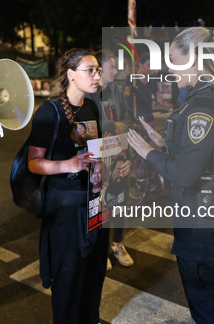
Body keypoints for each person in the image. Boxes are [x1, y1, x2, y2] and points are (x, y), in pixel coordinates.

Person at [128, 26, 214, 324]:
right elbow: (208, 155)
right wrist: (162, 143)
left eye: (174, 58)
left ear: (196, 58)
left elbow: (184, 174)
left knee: (209, 310)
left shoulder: (205, 103)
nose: (169, 66)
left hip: (205, 226)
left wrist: (148, 152)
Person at [27, 48, 108, 324]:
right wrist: (67, 165)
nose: (97, 75)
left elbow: (95, 151)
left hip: (94, 204)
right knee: (69, 280)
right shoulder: (49, 112)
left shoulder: (91, 106)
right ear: (71, 74)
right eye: (90, 70)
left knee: (94, 275)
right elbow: (33, 163)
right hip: (66, 210)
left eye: (98, 70)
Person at [87, 50, 134, 268]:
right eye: (111, 67)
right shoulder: (90, 93)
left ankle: (117, 243)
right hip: (97, 157)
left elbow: (127, 117)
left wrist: (126, 154)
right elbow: (85, 124)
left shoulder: (116, 91)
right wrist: (110, 126)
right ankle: (99, 249)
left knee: (119, 200)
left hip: (118, 153)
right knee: (99, 204)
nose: (115, 71)